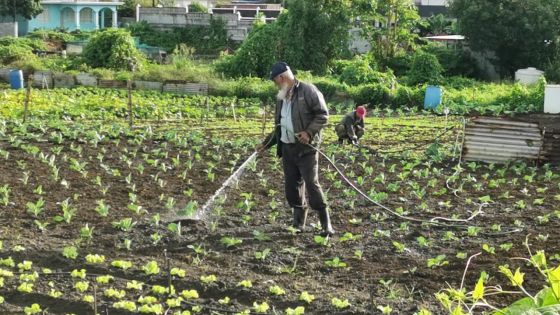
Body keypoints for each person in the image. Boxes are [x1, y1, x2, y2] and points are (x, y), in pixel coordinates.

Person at [256, 62, 334, 236]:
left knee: (312, 185)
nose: (275, 84)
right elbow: (280, 125)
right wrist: (266, 144)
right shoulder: (282, 97)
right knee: (292, 187)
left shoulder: (308, 91)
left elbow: (323, 115)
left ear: (281, 77)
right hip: (288, 149)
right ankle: (299, 224)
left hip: (306, 149)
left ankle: (326, 224)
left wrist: (309, 132)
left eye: (275, 80)